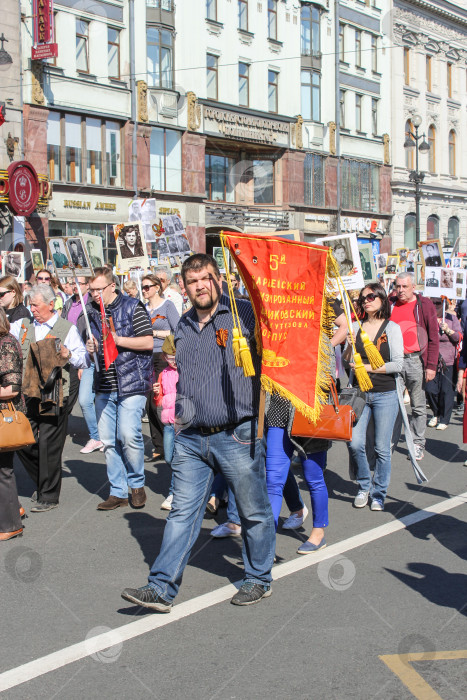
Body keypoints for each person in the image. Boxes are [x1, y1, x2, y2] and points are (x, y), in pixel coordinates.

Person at [121, 253, 275, 611]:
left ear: (217, 279)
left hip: (237, 432)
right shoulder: (185, 324)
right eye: (191, 282)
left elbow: (277, 344)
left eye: (205, 278)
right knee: (181, 514)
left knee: (253, 511)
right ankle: (160, 587)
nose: (199, 286)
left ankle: (258, 578)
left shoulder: (243, 314)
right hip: (191, 437)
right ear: (183, 287)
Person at [10, 284, 89, 511]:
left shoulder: (67, 328)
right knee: (23, 441)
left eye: (35, 305)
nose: (32, 309)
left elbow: (84, 360)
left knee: (49, 445)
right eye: (30, 304)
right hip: (28, 393)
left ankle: (49, 496)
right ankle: (42, 480)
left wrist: (68, 354)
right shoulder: (23, 326)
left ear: (50, 304)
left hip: (55, 394)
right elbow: (4, 330)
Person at [85, 267, 153, 510]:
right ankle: (118, 491)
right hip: (105, 383)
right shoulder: (91, 311)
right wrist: (90, 347)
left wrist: (118, 340)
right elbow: (92, 346)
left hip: (131, 381)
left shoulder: (133, 306)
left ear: (112, 286)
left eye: (98, 289)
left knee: (127, 435)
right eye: (90, 289)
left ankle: (136, 484)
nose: (93, 294)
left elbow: (148, 341)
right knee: (108, 441)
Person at [345, 284, 404, 511]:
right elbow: (347, 362)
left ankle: (378, 493)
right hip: (360, 394)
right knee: (355, 442)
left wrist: (369, 367)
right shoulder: (356, 327)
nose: (366, 300)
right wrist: (349, 348)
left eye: (371, 296)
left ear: (381, 299)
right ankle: (363, 485)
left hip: (385, 393)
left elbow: (397, 364)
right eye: (363, 298)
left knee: (381, 447)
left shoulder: (393, 328)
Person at [391, 272, 439, 461]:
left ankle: (417, 443)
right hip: (394, 360)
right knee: (393, 404)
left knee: (418, 406)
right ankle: (391, 443)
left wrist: (431, 365)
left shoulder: (424, 305)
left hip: (416, 361)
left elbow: (434, 337)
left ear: (413, 287)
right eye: (398, 286)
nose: (400, 290)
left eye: (404, 286)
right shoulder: (390, 302)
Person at [62, 276, 103, 454]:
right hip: (83, 357)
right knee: (85, 400)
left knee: (104, 400)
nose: (75, 286)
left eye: (79, 283)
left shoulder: (95, 304)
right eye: (72, 283)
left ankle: (108, 435)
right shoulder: (72, 303)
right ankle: (96, 437)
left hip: (101, 358)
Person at [142, 274, 180, 462]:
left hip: (163, 356)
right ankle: (159, 446)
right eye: (143, 287)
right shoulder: (143, 309)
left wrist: (155, 333)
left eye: (148, 286)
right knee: (149, 402)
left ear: (157, 287)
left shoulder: (167, 306)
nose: (144, 290)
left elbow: (177, 330)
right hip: (146, 356)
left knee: (160, 401)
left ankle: (170, 440)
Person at [0, 307, 25, 540]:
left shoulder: (5, 343)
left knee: (3, 470)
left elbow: (12, 387)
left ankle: (10, 525)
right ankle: (12, 507)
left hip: (4, 416)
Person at [425, 299, 461, 430]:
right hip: (432, 360)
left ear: (443, 304)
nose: (435, 306)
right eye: (433, 303)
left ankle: (444, 419)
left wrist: (448, 330)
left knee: (446, 391)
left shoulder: (451, 318)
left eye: (438, 303)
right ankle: (436, 413)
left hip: (448, 360)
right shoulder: (428, 318)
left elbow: (458, 337)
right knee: (430, 390)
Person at [152, 335, 178, 510]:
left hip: (184, 423)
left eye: (176, 357)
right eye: (170, 357)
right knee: (169, 458)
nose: (174, 360)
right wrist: (156, 393)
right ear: (164, 357)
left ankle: (174, 492)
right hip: (168, 423)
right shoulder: (163, 374)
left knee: (180, 459)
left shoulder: (187, 370)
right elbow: (159, 401)